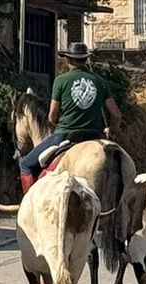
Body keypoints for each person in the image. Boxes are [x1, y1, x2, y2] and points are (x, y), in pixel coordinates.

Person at [18, 42, 122, 192]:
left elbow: (52, 116)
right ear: (86, 59)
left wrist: (58, 122)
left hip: (66, 134)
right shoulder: (100, 81)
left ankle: (28, 205)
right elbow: (117, 115)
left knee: (26, 165)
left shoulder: (61, 80)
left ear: (68, 60)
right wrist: (112, 131)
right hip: (94, 135)